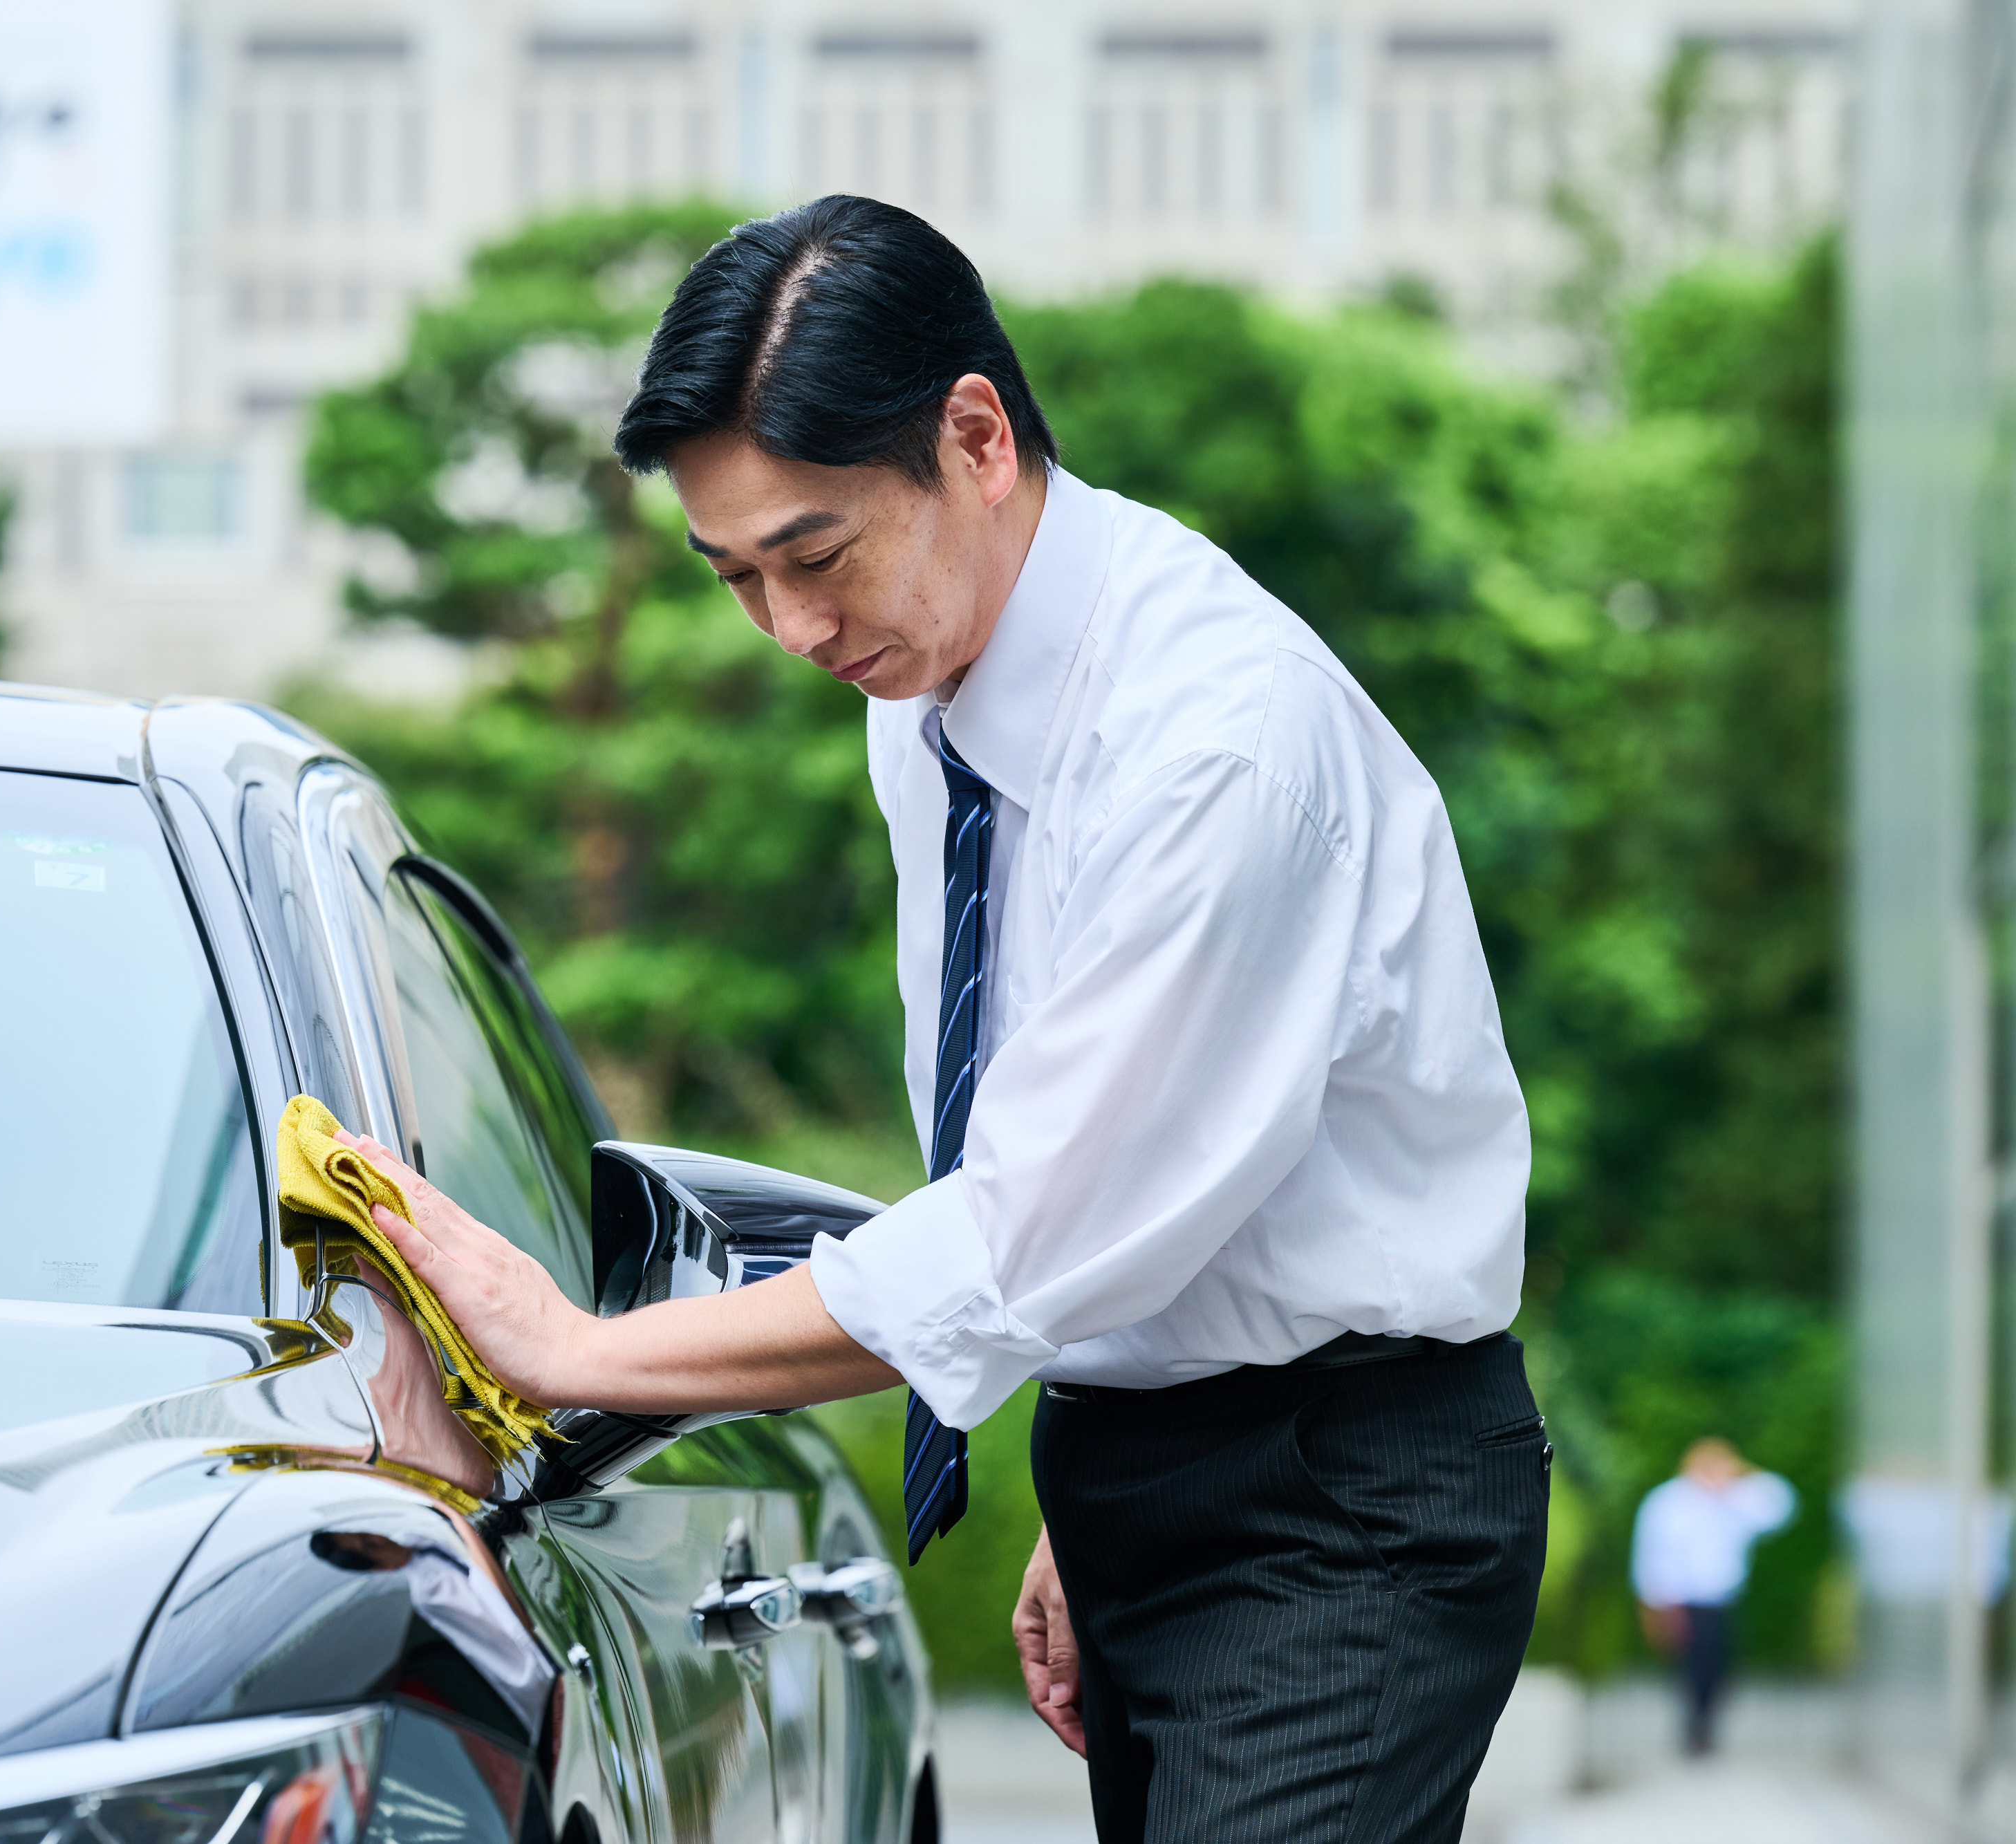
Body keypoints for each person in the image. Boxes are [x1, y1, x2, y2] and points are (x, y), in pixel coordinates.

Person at [333, 194, 1547, 1843]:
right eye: (735, 577)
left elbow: (1032, 1228)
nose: (793, 631)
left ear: (973, 435)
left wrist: (583, 1358)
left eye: (815, 555)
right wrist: (1098, 1464)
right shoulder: (929, 695)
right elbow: (1098, 1184)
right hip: (1160, 1455)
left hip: (1340, 1500)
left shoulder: (1211, 744)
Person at [1631, 1437, 1795, 1757]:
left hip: (1722, 1602)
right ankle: (1694, 1731)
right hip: (1682, 1603)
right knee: (1692, 1669)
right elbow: (1651, 1555)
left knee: (1722, 1669)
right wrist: (1655, 1602)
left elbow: (1782, 1507)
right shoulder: (1669, 1502)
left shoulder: (1736, 1499)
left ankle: (1706, 1726)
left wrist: (1740, 1476)